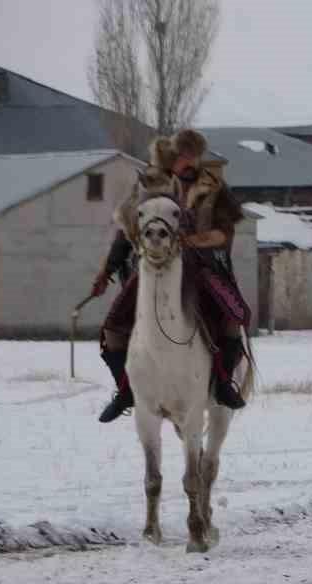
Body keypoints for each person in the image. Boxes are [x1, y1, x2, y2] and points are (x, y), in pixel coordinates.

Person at [89, 129, 250, 422]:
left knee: (231, 316)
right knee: (113, 328)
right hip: (151, 269)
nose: (189, 163)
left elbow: (225, 233)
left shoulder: (212, 188)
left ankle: (223, 385)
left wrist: (196, 241)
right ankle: (125, 391)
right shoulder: (148, 185)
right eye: (184, 156)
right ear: (174, 156)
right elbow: (126, 233)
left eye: (194, 157)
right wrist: (105, 272)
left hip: (201, 268)